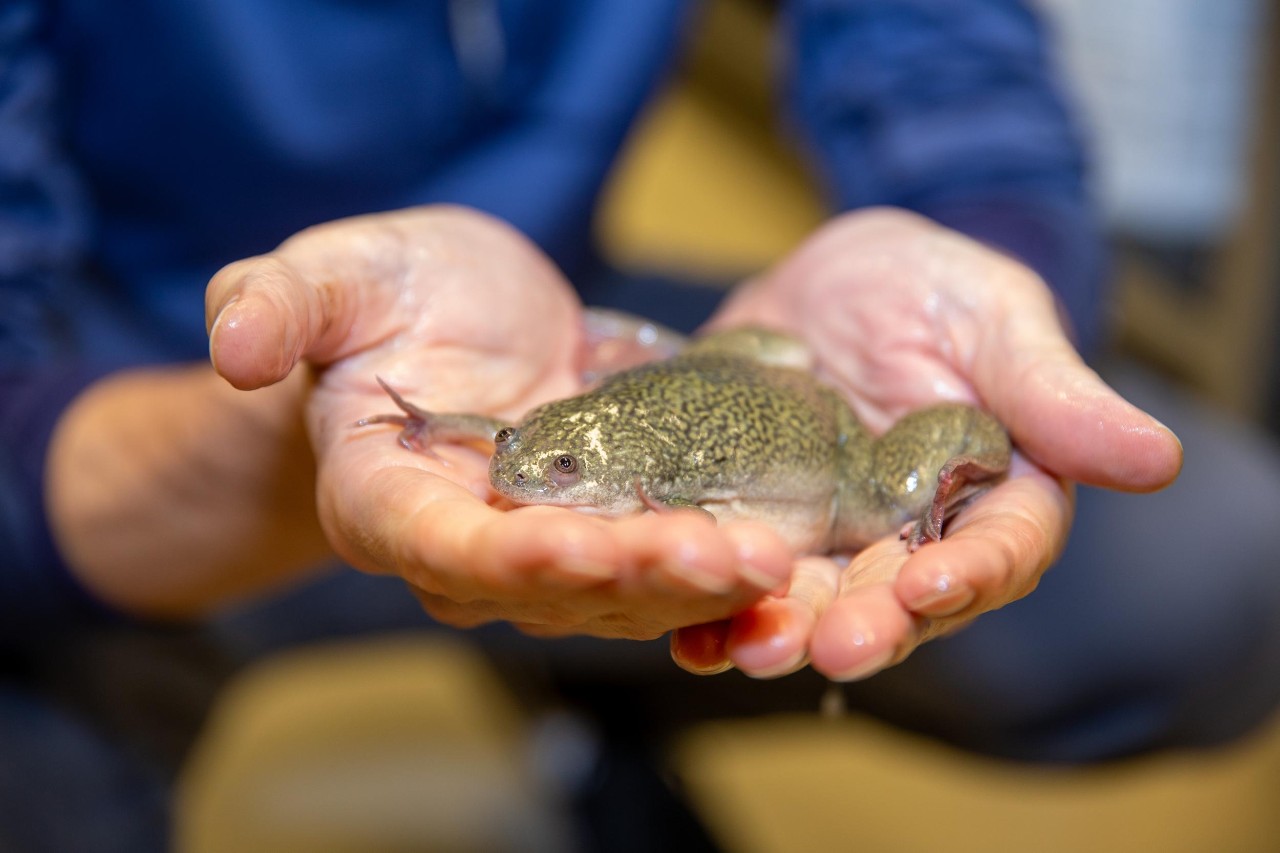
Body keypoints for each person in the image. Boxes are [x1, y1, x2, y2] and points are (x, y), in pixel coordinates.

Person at [2, 0, 1276, 850]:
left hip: (582, 330)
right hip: (103, 408)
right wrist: (270, 452)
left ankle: (594, 692)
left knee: (1209, 572)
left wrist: (977, 273)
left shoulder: (617, 437)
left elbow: (936, 50)